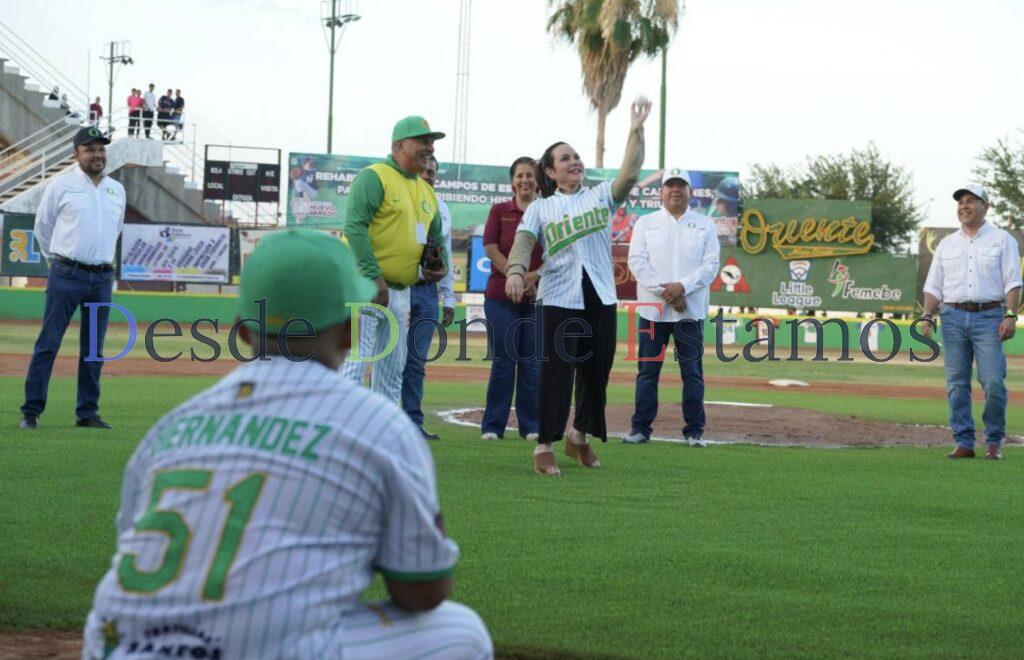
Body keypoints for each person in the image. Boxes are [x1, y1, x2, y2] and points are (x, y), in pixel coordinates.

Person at [81, 229, 493, 659]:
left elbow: (132, 540)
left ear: (241, 332)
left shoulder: (170, 428)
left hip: (117, 647)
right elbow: (422, 590)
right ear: (351, 331)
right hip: (260, 648)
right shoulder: (377, 425)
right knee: (461, 632)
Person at [504, 99, 651, 476]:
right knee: (556, 371)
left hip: (599, 294)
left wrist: (635, 130)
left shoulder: (600, 196)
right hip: (557, 297)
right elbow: (522, 243)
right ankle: (544, 445)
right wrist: (516, 272)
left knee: (596, 371)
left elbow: (630, 175)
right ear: (550, 173)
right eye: (565, 159)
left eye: (577, 157)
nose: (575, 162)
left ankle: (579, 436)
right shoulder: (540, 207)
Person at [19, 127, 125, 430]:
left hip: (102, 278)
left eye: (101, 149)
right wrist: (59, 260)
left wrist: (100, 261)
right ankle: (31, 411)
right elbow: (43, 226)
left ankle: (87, 413)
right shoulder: (60, 185)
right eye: (89, 149)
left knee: (93, 349)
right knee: (48, 343)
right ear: (75, 154)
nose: (97, 154)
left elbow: (115, 229)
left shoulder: (116, 189)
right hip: (66, 274)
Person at [340, 116, 449, 403]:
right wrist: (373, 277)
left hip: (402, 291)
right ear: (399, 145)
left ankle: (378, 441)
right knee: (353, 367)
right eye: (423, 141)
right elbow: (354, 227)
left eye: (432, 143)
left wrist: (441, 263)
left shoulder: (425, 189)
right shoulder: (374, 176)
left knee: (390, 374)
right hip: (362, 286)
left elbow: (435, 237)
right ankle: (341, 442)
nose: (430, 148)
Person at [920, 185, 1021, 460]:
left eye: (970, 201)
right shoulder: (947, 244)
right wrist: (928, 315)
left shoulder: (1002, 240)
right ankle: (964, 442)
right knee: (956, 383)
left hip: (989, 317)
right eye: (960, 202)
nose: (963, 206)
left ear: (985, 207)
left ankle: (993, 440)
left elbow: (1013, 282)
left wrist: (1010, 315)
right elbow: (934, 285)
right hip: (951, 317)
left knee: (993, 382)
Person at [622, 168, 721, 446]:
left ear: (690, 192)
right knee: (647, 373)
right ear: (660, 192)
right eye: (670, 186)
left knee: (692, 374)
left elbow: (711, 265)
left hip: (689, 312)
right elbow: (637, 262)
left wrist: (683, 287)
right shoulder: (646, 223)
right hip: (653, 311)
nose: (675, 190)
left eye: (681, 186)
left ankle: (694, 432)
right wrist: (666, 291)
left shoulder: (704, 224)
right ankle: (640, 429)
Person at [479, 156, 544, 441]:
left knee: (531, 363)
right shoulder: (499, 210)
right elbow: (491, 248)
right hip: (500, 296)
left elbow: (557, 252)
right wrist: (516, 277)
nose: (525, 180)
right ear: (512, 181)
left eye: (530, 175)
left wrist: (534, 277)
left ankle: (530, 426)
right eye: (520, 175)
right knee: (504, 362)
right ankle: (493, 426)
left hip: (539, 296)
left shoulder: (547, 211)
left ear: (538, 180)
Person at [401, 155, 455, 440]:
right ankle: (381, 424)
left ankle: (412, 423)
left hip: (426, 291)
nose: (428, 174)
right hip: (398, 286)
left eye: (432, 171)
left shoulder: (442, 209)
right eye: (424, 169)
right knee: (389, 358)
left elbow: (443, 254)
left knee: (416, 361)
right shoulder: (398, 201)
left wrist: (448, 298)